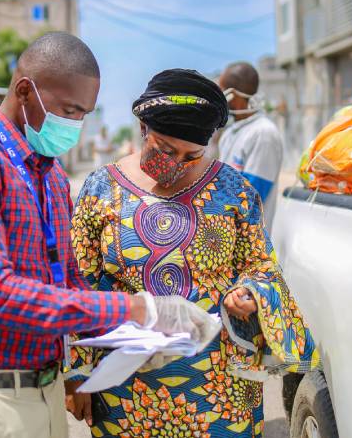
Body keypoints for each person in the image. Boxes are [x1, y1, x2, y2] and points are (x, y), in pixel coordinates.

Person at [0, 32, 215, 438]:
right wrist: (133, 310)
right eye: (69, 110)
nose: (75, 125)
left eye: (84, 115)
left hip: (43, 386)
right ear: (25, 91)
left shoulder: (50, 175)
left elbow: (70, 281)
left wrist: (141, 336)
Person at [66, 69, 319, 437]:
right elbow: (78, 282)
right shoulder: (100, 188)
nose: (177, 164)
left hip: (218, 391)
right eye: (165, 150)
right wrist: (76, 374)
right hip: (124, 388)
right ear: (142, 128)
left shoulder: (234, 190)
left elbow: (262, 265)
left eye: (192, 156)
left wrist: (250, 293)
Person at [218, 62, 284, 229]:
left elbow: (250, 199)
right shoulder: (230, 134)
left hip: (251, 248)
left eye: (222, 92)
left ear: (232, 95)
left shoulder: (263, 133)